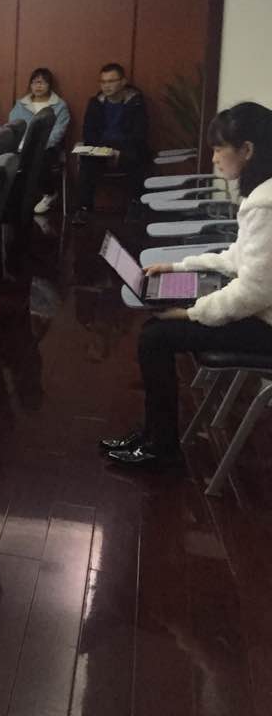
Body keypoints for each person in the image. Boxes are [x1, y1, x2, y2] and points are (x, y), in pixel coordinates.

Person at [102, 102, 272, 469]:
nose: (214, 158)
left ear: (247, 150)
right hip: (260, 312)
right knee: (157, 326)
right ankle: (153, 433)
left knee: (155, 336)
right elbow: (237, 258)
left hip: (266, 326)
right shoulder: (261, 195)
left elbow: (254, 292)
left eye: (219, 149)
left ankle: (161, 446)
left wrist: (193, 312)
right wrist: (178, 267)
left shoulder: (266, 204)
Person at [72, 62, 149, 226]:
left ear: (123, 82)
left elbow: (139, 134)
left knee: (138, 158)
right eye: (103, 82)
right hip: (101, 148)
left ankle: (136, 205)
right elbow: (88, 132)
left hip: (126, 148)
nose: (106, 86)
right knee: (87, 161)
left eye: (111, 81)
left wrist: (119, 151)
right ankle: (84, 208)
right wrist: (101, 149)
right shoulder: (95, 103)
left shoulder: (136, 103)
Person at [8, 67, 71, 214]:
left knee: (39, 157)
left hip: (48, 147)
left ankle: (49, 193)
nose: (38, 86)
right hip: (21, 146)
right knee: (9, 160)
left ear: (50, 85)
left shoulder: (60, 106)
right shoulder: (21, 104)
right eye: (35, 82)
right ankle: (15, 200)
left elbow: (58, 132)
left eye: (43, 82)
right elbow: (13, 125)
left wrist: (38, 144)